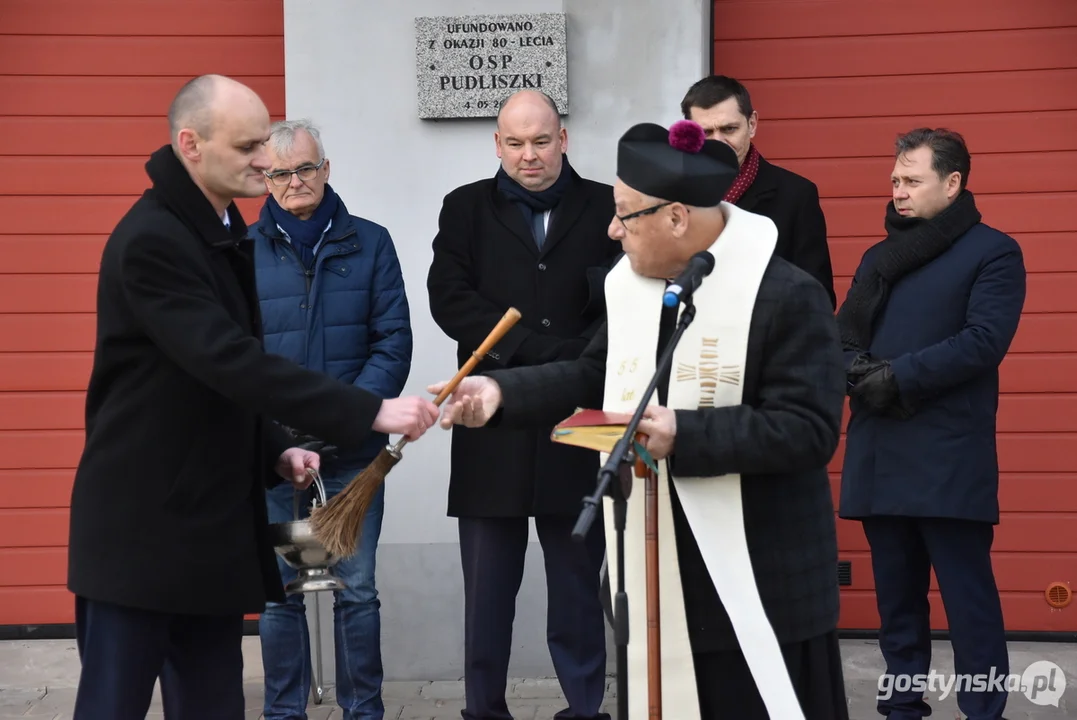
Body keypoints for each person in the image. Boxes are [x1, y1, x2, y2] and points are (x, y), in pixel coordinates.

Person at [428, 119, 850, 720]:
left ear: (676, 218)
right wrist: (498, 393)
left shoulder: (784, 294)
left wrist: (685, 433)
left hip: (761, 586)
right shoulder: (636, 287)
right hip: (657, 573)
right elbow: (589, 373)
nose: (610, 229)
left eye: (623, 215)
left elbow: (809, 430)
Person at [66, 74, 439, 720]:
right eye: (247, 148)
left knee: (213, 703)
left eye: (264, 143)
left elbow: (211, 377)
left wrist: (273, 447)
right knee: (113, 704)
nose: (266, 162)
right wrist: (368, 411)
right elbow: (228, 359)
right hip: (141, 531)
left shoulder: (216, 227)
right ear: (191, 144)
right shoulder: (156, 240)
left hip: (208, 529)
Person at [425, 88, 621, 720]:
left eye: (541, 141)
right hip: (491, 423)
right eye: (515, 143)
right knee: (487, 591)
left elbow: (625, 295)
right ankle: (483, 709)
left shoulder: (604, 206)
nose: (529, 155)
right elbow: (450, 298)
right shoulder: (465, 208)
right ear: (497, 145)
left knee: (577, 586)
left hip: (577, 420)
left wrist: (577, 363)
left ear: (563, 139)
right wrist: (542, 353)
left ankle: (585, 707)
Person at [836, 128, 1026, 720]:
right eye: (895, 180)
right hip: (880, 453)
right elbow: (842, 338)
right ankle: (902, 708)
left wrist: (895, 377)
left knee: (968, 601)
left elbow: (982, 343)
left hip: (948, 458)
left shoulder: (994, 252)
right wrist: (856, 370)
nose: (899, 191)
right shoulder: (877, 258)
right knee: (897, 605)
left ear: (952, 183)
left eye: (912, 181)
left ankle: (984, 710)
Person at [250, 117, 412, 719]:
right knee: (277, 598)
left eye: (306, 168)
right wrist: (277, 437)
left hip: (352, 456)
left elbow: (392, 341)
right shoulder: (242, 254)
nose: (296, 181)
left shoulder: (370, 242)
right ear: (264, 180)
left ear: (327, 169)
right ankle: (284, 713)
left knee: (359, 591)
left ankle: (363, 711)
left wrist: (348, 420)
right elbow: (236, 358)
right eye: (281, 173)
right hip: (275, 457)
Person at [680, 74, 836, 307]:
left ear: (752, 124)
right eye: (706, 133)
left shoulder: (796, 195)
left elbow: (817, 294)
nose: (719, 142)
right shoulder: (672, 194)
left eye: (729, 129)